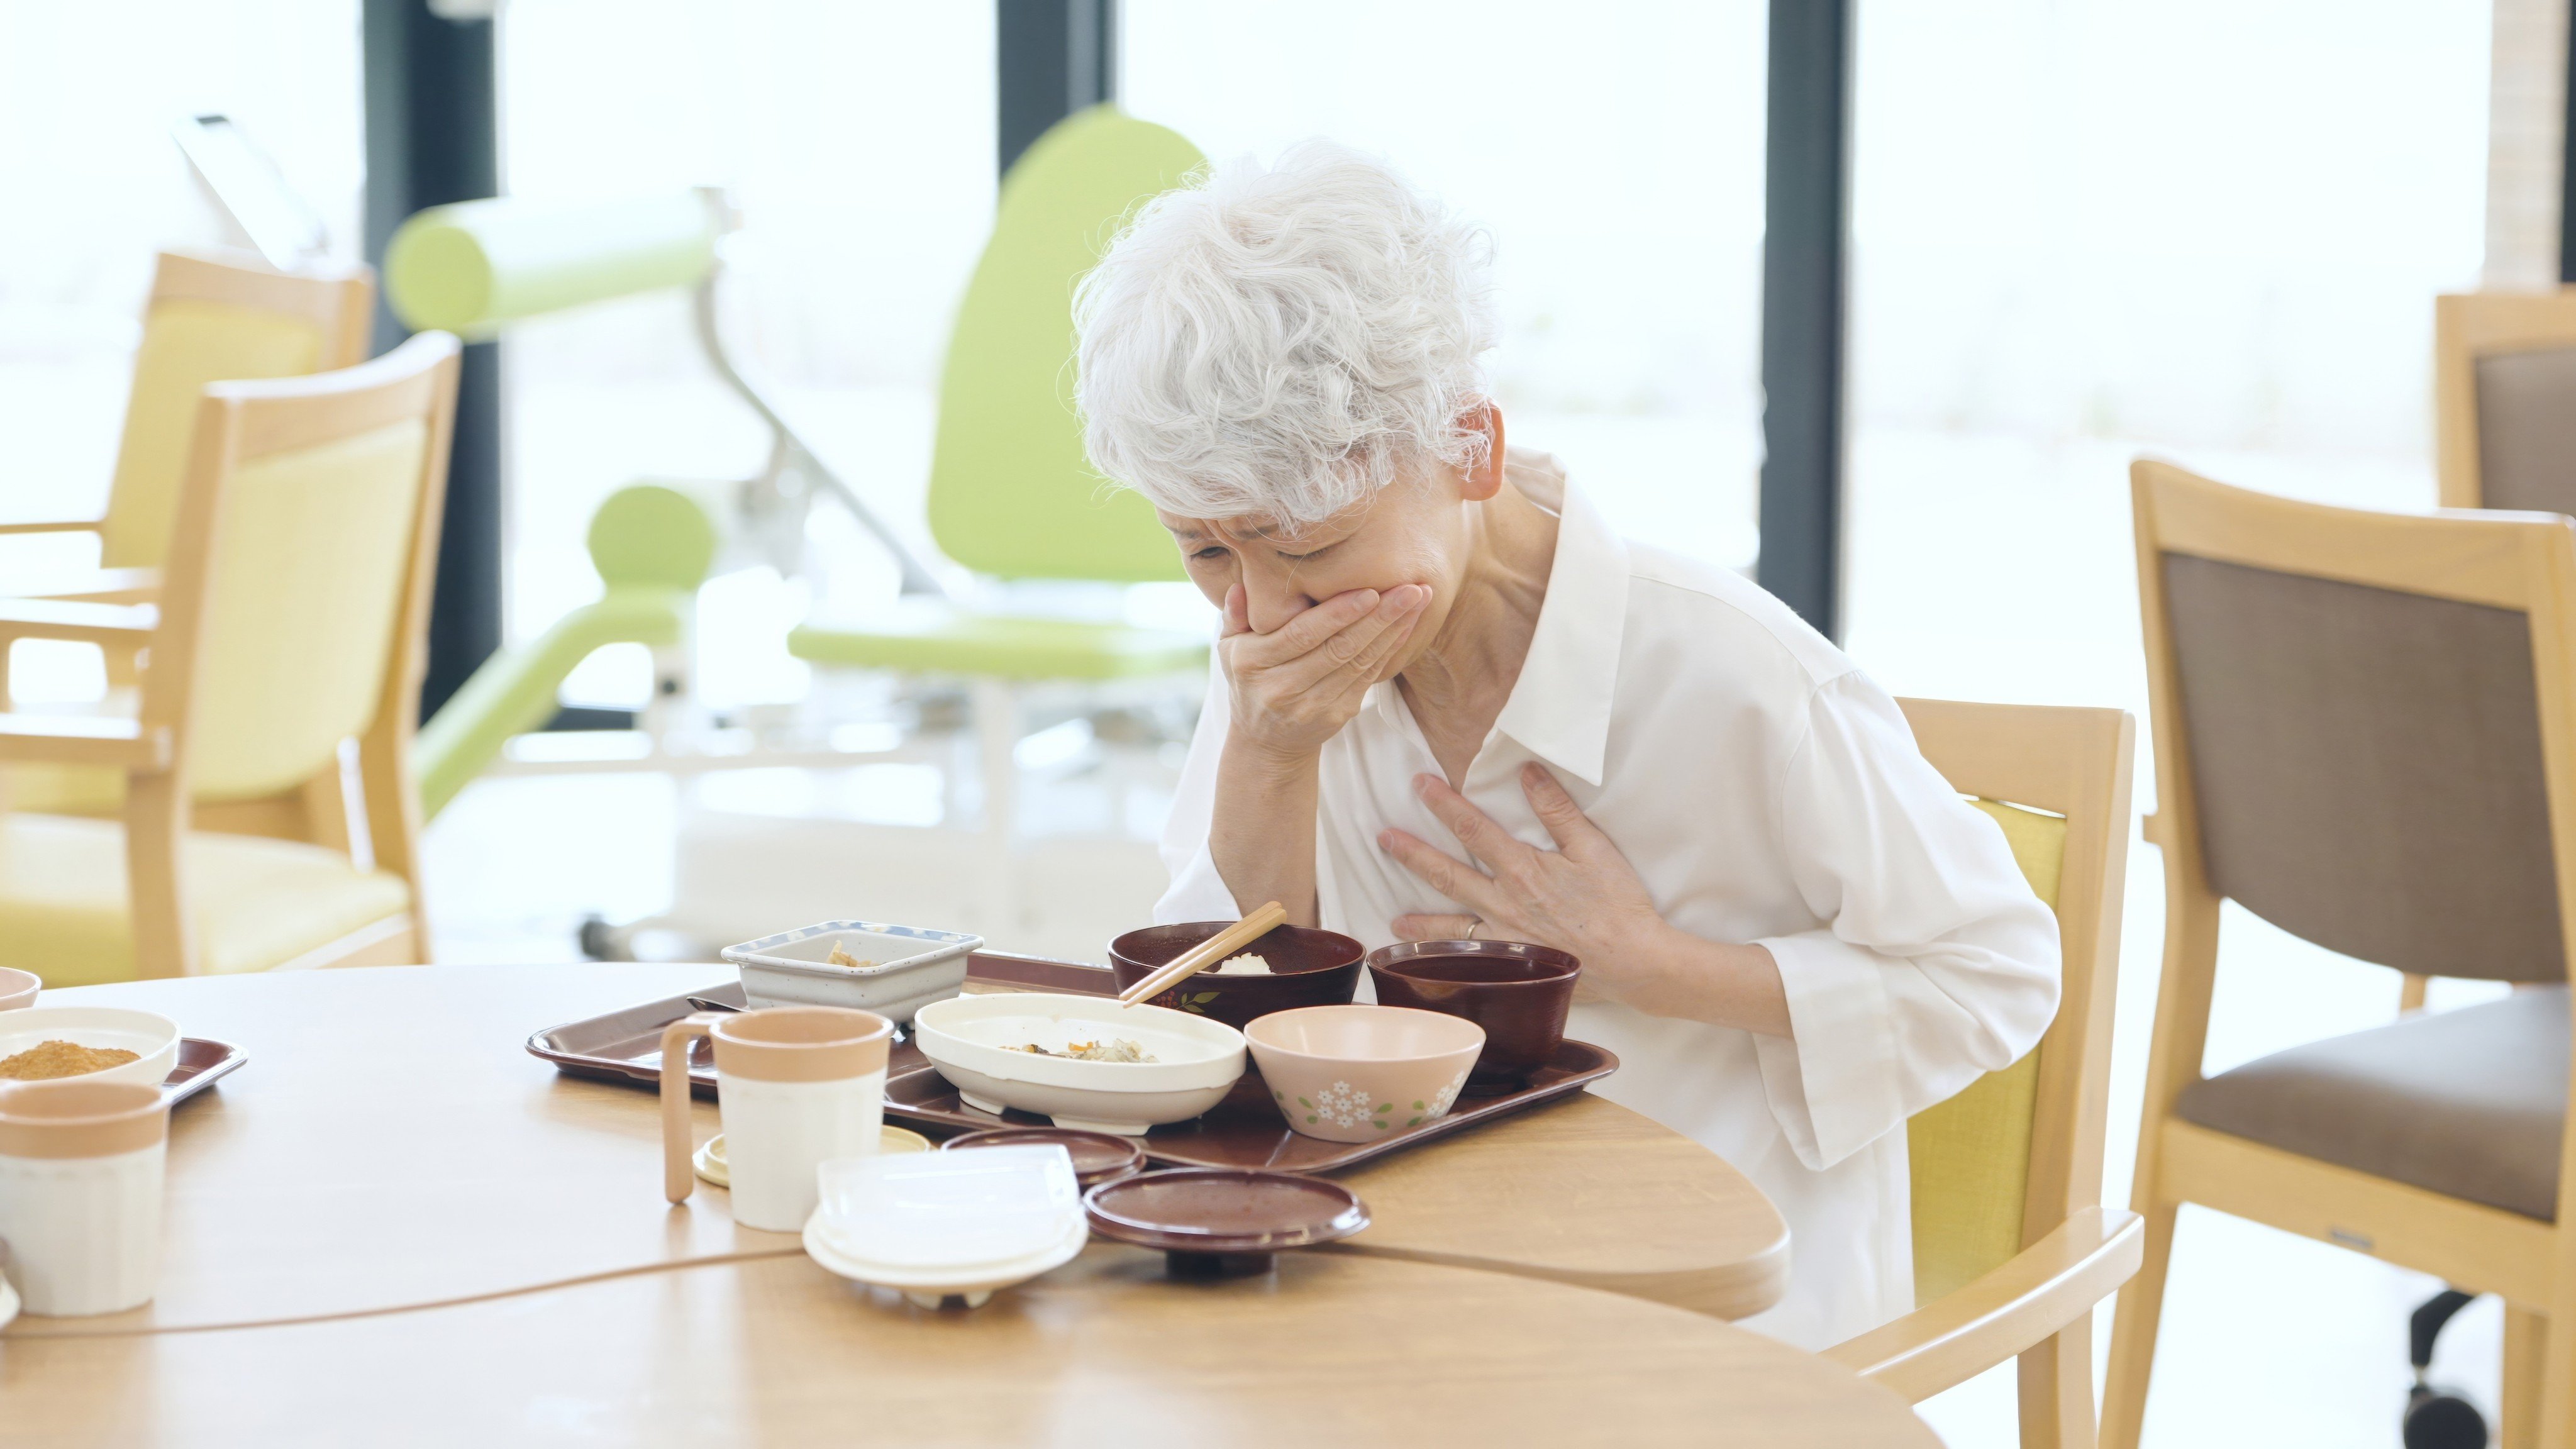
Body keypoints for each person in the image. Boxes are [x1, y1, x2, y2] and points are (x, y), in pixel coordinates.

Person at [1072, 142, 2059, 1348]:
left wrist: (1651, 964)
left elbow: (1996, 975)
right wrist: (1269, 760)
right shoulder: (1279, 671)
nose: (1264, 613)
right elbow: (1223, 1012)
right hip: (1396, 1290)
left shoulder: (1737, 674)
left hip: (1712, 1317)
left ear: (1468, 448)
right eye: (1206, 551)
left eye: (1314, 550)